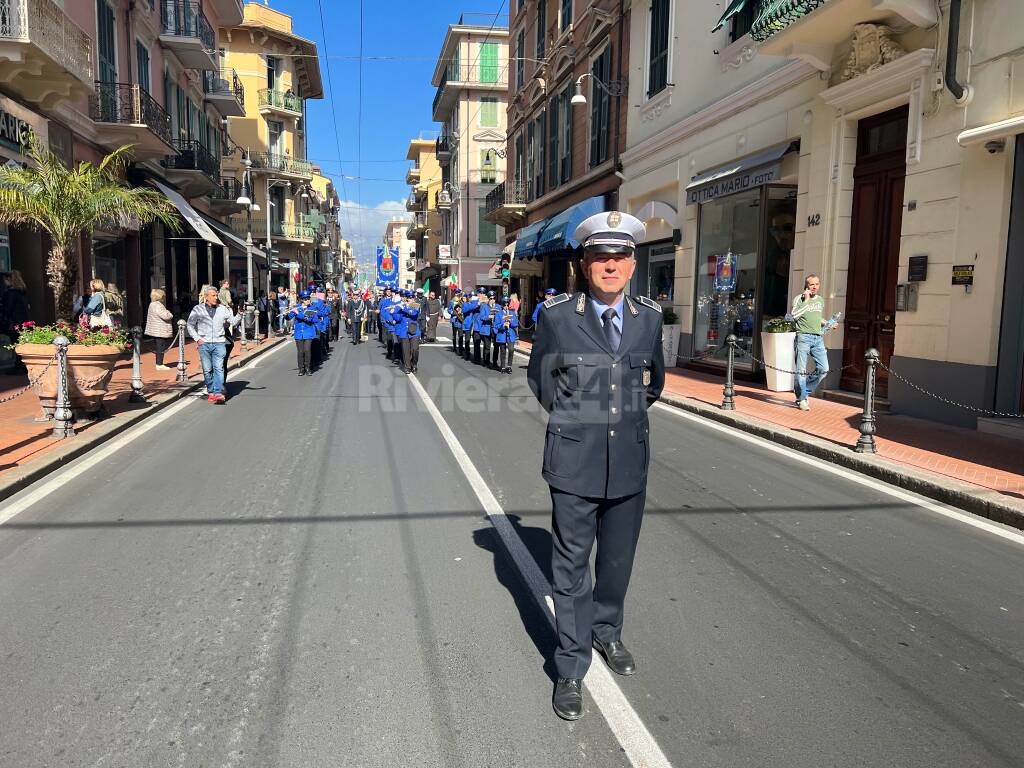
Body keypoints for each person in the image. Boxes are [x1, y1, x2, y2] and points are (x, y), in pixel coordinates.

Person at [527, 210, 665, 721]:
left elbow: (653, 384)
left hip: (629, 458)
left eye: (620, 256)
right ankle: (569, 664)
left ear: (633, 264)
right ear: (585, 265)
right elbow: (542, 383)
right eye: (600, 257)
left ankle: (607, 633)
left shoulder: (650, 316)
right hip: (574, 461)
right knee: (570, 568)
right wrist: (578, 422)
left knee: (617, 563)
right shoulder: (558, 315)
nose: (611, 265)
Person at [186, 286, 240, 403]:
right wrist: (197, 339)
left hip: (219, 343)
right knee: (207, 370)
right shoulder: (198, 309)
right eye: (213, 296)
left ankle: (218, 393)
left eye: (216, 295)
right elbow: (190, 325)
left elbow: (233, 322)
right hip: (204, 344)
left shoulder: (222, 309)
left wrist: (240, 314)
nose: (216, 298)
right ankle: (211, 391)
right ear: (206, 297)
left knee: (218, 368)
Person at [791, 274, 832, 410]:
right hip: (803, 337)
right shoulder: (800, 299)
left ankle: (804, 391)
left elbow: (816, 317)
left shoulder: (820, 300)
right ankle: (801, 399)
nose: (815, 287)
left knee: (824, 368)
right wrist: (807, 300)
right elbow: (795, 316)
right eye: (812, 284)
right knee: (801, 370)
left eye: (817, 284)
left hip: (818, 338)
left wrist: (827, 323)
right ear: (806, 286)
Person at [288, 291, 318, 376]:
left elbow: (308, 319)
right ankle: (301, 369)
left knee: (307, 350)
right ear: (301, 300)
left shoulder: (311, 309)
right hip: (298, 333)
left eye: (308, 298)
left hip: (308, 333)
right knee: (300, 351)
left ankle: (308, 368)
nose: (308, 300)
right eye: (306, 299)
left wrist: (298, 313)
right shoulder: (297, 307)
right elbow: (289, 317)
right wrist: (286, 314)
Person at [145, 289, 175, 370]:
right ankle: (159, 364)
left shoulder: (152, 304)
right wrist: (169, 312)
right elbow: (166, 316)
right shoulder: (158, 305)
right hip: (159, 330)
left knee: (159, 347)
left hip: (157, 329)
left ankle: (159, 363)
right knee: (160, 347)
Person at [396, 290, 422, 374]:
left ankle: (414, 364)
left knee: (415, 349)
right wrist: (394, 310)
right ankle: (407, 366)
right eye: (409, 298)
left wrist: (403, 307)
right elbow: (398, 318)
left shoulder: (416, 305)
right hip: (404, 331)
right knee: (406, 350)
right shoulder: (402, 305)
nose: (411, 300)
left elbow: (413, 313)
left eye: (412, 298)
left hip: (414, 331)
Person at [493, 296, 518, 373]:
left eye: (507, 305)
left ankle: (509, 366)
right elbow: (496, 325)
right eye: (504, 305)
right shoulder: (498, 314)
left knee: (511, 350)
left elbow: (516, 324)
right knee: (503, 351)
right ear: (502, 305)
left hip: (510, 334)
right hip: (502, 334)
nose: (506, 307)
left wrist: (510, 322)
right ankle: (503, 366)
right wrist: (503, 324)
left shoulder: (512, 313)